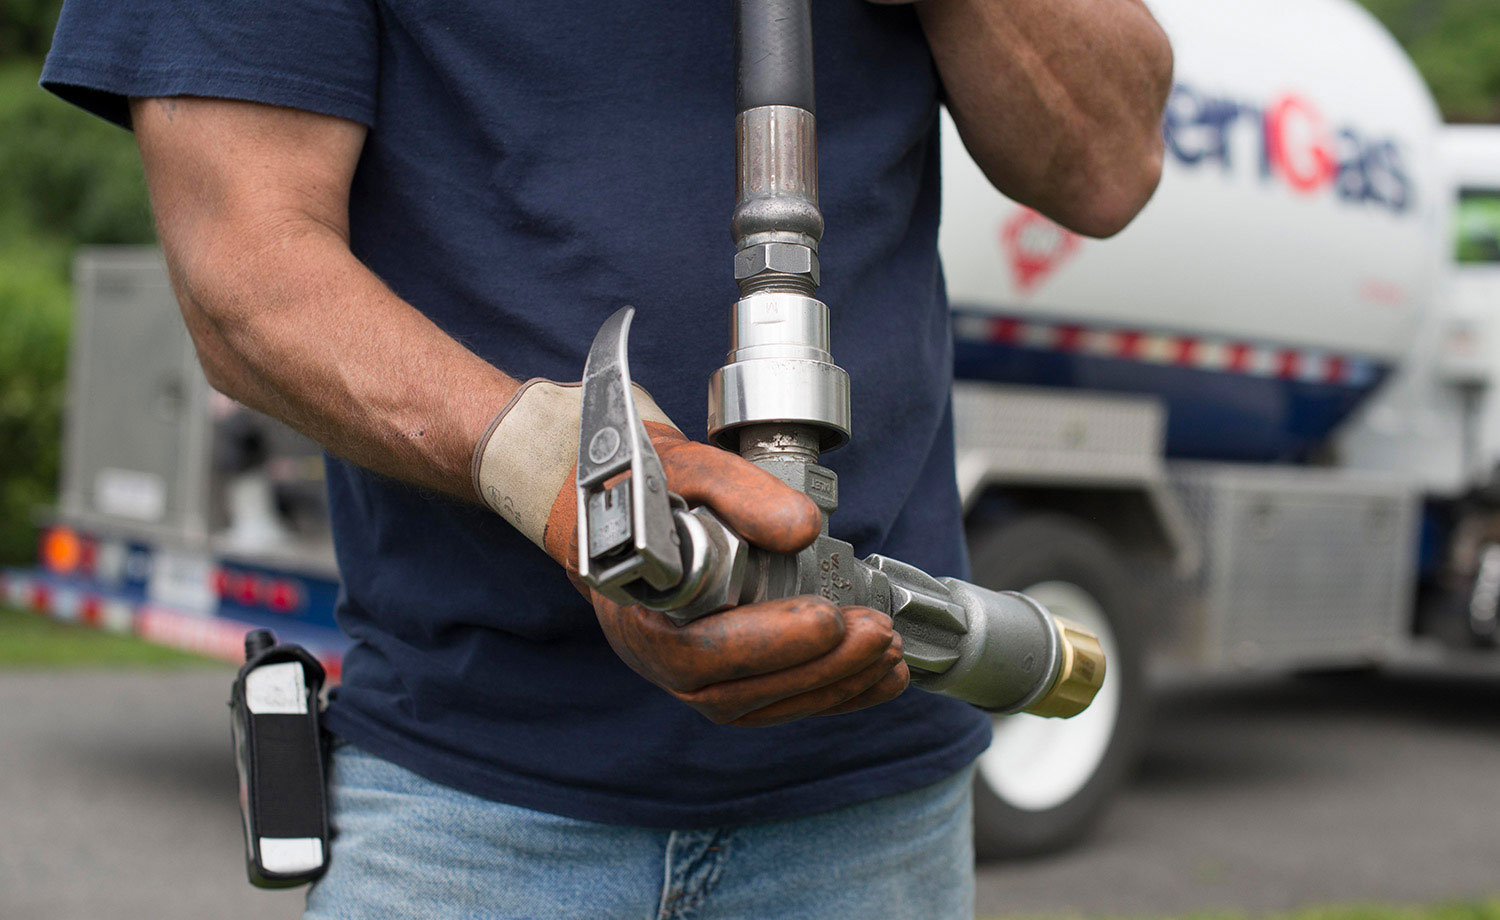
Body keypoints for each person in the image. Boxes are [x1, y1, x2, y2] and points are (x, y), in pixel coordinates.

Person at [42, 1, 1171, 916]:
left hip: (877, 820)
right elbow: (244, 271)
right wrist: (553, 469)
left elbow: (1107, 167)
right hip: (472, 819)